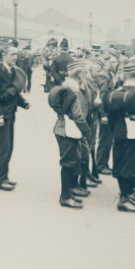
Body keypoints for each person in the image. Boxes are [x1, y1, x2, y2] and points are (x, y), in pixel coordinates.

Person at [104, 55, 135, 212]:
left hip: (119, 132)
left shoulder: (117, 91)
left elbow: (110, 116)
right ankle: (124, 199)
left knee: (120, 163)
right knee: (130, 165)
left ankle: (126, 195)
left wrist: (114, 131)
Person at [0, 43, 29, 190]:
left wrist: (23, 102)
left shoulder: (10, 70)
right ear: (3, 55)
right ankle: (0, 180)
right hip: (1, 116)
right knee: (3, 148)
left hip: (10, 114)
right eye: (12, 54)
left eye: (16, 54)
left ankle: (5, 177)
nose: (16, 57)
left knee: (9, 147)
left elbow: (11, 93)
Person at [48, 54, 92, 208]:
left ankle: (70, 191)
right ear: (80, 74)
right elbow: (78, 116)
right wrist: (88, 132)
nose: (86, 75)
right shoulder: (74, 91)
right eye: (85, 73)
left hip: (63, 128)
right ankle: (65, 196)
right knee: (68, 163)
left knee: (73, 160)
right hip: (68, 130)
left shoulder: (65, 86)